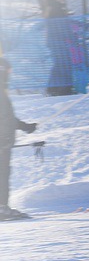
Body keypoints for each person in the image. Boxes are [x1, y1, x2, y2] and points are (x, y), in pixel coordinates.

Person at [0, 57, 39, 220]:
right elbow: (4, 119)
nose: (10, 74)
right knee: (2, 174)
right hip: (2, 142)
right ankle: (2, 208)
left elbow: (8, 118)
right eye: (9, 71)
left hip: (4, 141)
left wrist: (25, 127)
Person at [44, 0, 75, 97]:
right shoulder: (56, 8)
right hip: (57, 40)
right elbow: (61, 25)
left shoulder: (54, 7)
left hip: (55, 40)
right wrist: (70, 36)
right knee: (63, 63)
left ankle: (55, 88)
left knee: (59, 63)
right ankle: (63, 88)